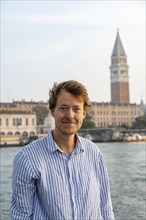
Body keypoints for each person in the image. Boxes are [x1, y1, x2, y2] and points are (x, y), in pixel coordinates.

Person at [11, 80, 115, 220]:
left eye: (76, 109)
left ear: (84, 113)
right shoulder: (27, 158)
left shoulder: (94, 153)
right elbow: (21, 216)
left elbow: (105, 207)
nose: (70, 115)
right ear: (53, 111)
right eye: (63, 108)